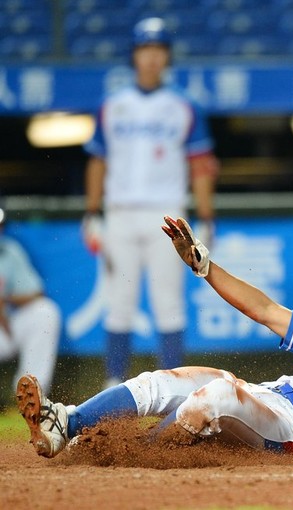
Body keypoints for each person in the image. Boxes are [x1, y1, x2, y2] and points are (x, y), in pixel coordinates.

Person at [15, 216, 293, 462]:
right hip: (266, 400)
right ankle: (66, 425)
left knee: (213, 394)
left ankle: (126, 455)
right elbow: (266, 309)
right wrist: (205, 266)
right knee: (169, 380)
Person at [81, 17, 218, 388]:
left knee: (168, 302)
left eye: (159, 50)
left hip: (168, 215)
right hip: (120, 213)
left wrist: (205, 219)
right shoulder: (112, 104)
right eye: (145, 50)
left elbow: (200, 164)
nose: (152, 57)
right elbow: (98, 159)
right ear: (135, 55)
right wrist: (91, 212)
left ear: (167, 56)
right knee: (119, 300)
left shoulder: (183, 105)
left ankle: (172, 386)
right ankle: (113, 385)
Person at [0, 206, 62, 397]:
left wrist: (6, 299)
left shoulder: (8, 251)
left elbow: (36, 293)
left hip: (5, 328)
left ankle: (29, 398)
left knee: (45, 313)